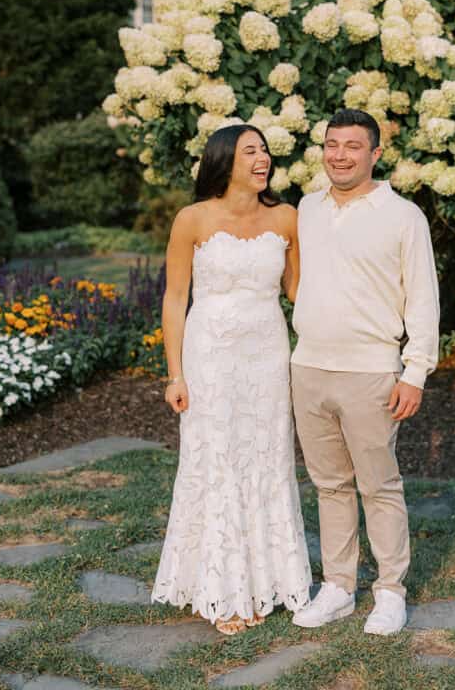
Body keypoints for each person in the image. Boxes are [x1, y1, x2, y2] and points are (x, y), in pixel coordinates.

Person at [151, 123, 311, 635]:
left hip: (267, 355)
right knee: (216, 459)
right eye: (250, 151)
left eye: (264, 150)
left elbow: (299, 294)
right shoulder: (192, 219)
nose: (262, 158)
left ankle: (267, 580)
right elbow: (176, 299)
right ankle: (219, 587)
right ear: (224, 160)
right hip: (210, 357)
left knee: (266, 457)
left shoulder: (287, 217)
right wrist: (174, 373)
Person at [290, 108, 439, 635]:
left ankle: (391, 591)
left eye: (353, 146)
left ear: (375, 154)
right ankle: (337, 587)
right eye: (332, 144)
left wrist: (415, 371)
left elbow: (422, 299)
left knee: (379, 485)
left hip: (371, 372)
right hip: (307, 366)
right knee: (329, 484)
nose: (340, 155)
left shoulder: (403, 217)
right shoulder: (307, 208)